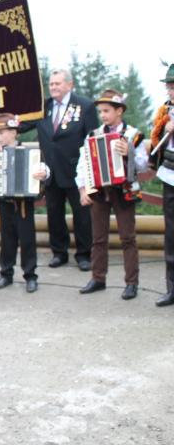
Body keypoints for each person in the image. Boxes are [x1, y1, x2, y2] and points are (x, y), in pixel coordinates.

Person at [19, 69, 98, 271]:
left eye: (58, 84)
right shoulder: (43, 106)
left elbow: (93, 139)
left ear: (69, 85)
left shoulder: (85, 106)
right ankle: (59, 253)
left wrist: (90, 173)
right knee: (54, 213)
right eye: (51, 84)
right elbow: (22, 124)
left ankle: (84, 254)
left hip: (76, 170)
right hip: (50, 170)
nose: (53, 87)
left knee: (82, 215)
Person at [76, 89, 147, 299]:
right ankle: (98, 278)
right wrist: (82, 189)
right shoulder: (93, 135)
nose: (103, 115)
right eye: (100, 112)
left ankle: (131, 283)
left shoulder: (133, 135)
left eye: (107, 111)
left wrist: (129, 152)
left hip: (124, 190)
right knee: (98, 238)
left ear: (119, 111)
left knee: (128, 237)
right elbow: (83, 164)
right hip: (99, 191)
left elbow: (143, 164)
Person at [0, 114, 49, 293]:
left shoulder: (30, 153)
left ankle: (30, 275)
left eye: (1, 133)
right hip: (5, 202)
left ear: (14, 133)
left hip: (23, 204)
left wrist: (42, 174)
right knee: (7, 238)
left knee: (27, 239)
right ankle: (6, 273)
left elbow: (44, 170)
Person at [148, 64, 174, 306]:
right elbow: (154, 140)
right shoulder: (164, 111)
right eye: (169, 86)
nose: (172, 91)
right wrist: (162, 128)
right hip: (170, 177)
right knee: (171, 235)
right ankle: (172, 289)